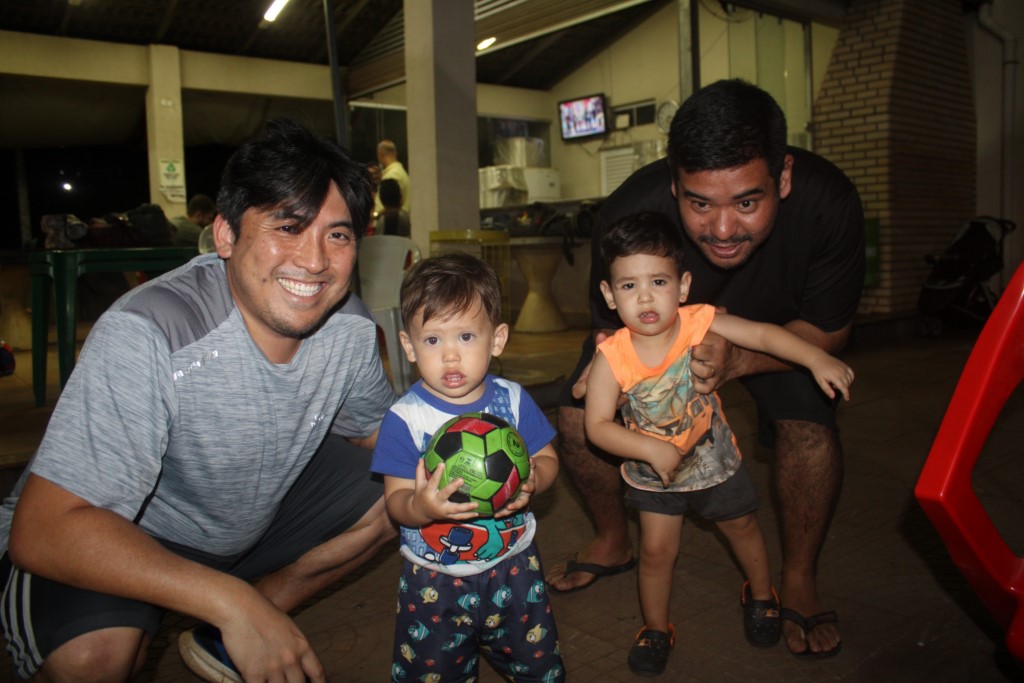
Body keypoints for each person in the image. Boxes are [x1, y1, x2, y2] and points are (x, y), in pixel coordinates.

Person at [0, 118, 398, 683]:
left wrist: (472, 453)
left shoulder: (349, 329)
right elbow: (42, 529)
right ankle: (236, 610)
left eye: (337, 235)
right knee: (93, 660)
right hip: (120, 533)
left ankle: (235, 628)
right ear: (226, 235)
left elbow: (374, 432)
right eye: (288, 226)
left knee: (403, 483)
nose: (315, 261)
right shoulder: (152, 331)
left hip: (247, 526)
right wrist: (228, 598)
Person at [546, 78, 865, 660]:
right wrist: (611, 384)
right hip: (654, 342)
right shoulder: (628, 215)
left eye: (746, 202)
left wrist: (740, 359)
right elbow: (607, 331)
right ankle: (614, 539)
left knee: (809, 430)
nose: (722, 230)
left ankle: (796, 577)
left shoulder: (829, 203)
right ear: (674, 185)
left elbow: (829, 332)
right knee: (572, 417)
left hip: (779, 337)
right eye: (699, 204)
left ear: (783, 178)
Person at [586, 211, 854, 674]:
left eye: (658, 281)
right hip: (654, 474)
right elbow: (597, 426)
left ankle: (762, 594)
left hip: (712, 459)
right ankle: (656, 628)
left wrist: (815, 359)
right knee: (656, 552)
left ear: (683, 286)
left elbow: (763, 334)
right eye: (629, 285)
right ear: (610, 295)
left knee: (742, 527)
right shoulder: (612, 358)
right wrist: (648, 448)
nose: (645, 296)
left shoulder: (697, 322)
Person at [371, 252, 564, 683]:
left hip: (515, 567)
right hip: (434, 580)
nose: (450, 356)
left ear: (497, 339)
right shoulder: (405, 419)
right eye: (432, 340)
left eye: (465, 336)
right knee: (434, 674)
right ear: (408, 346)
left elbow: (549, 458)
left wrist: (536, 477)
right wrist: (421, 507)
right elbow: (396, 500)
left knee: (538, 667)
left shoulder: (513, 400)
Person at [374, 139, 410, 214]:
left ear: (380, 154)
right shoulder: (400, 172)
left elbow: (384, 209)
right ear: (395, 153)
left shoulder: (390, 177)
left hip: (390, 220)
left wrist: (375, 215)